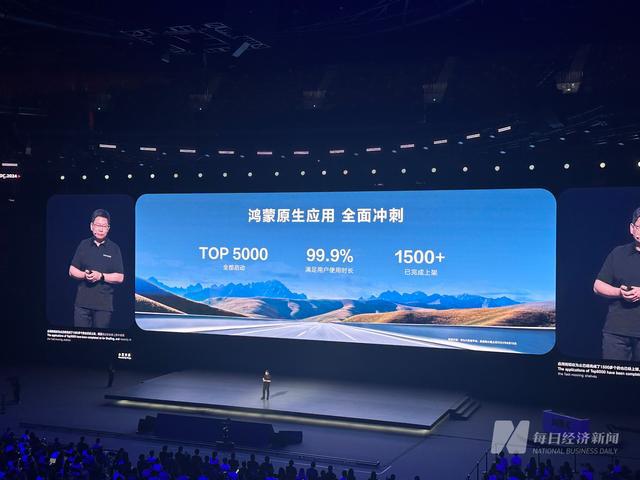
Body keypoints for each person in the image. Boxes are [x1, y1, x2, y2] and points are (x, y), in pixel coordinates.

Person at [594, 207, 640, 361]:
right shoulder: (618, 253)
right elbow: (598, 286)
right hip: (616, 333)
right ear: (632, 228)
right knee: (613, 376)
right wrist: (619, 292)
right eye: (639, 226)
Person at [69, 209, 124, 329]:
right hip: (81, 305)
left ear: (108, 228)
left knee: (100, 340)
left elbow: (120, 277)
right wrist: (84, 275)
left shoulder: (114, 248)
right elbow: (72, 270)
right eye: (98, 225)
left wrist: (101, 276)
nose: (100, 229)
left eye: (104, 226)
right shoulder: (83, 244)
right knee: (80, 339)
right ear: (91, 226)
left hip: (103, 307)